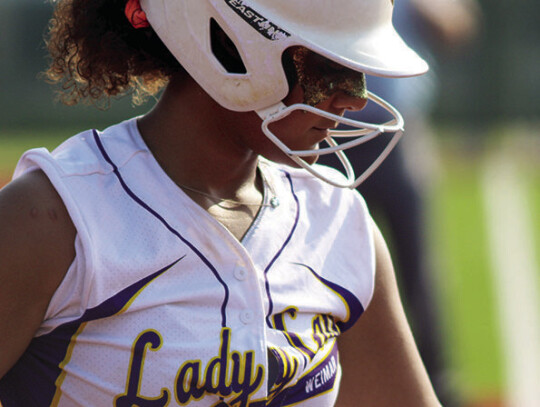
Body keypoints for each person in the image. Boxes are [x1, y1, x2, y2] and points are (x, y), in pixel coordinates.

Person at [0, 0, 442, 405]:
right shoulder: (53, 220)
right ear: (228, 44)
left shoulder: (337, 223)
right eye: (330, 68)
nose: (355, 99)